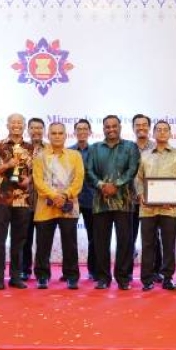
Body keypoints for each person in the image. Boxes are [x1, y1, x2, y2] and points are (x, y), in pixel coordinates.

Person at [86, 115, 141, 290]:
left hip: (124, 201)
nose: (111, 129)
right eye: (107, 127)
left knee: (125, 241)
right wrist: (102, 185)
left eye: (114, 126)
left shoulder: (130, 147)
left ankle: (123, 277)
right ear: (103, 129)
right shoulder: (94, 148)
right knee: (100, 241)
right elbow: (89, 172)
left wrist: (116, 185)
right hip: (100, 202)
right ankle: (102, 277)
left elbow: (132, 169)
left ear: (120, 127)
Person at [135, 120, 176, 291]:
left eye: (166, 130)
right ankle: (147, 279)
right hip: (147, 207)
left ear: (170, 133)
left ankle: (167, 278)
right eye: (159, 130)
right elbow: (138, 178)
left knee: (169, 244)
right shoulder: (145, 155)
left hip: (169, 207)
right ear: (154, 133)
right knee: (148, 244)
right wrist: (140, 194)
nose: (162, 133)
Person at [33, 122, 85, 290]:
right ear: (48, 136)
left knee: (70, 244)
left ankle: (71, 277)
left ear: (65, 135)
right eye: (53, 133)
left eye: (60, 133)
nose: (56, 136)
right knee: (42, 244)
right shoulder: (39, 156)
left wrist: (64, 195)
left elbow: (79, 180)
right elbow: (38, 181)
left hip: (69, 205)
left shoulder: (75, 155)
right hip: (45, 206)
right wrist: (54, 195)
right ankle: (42, 276)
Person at [0, 113, 35, 290]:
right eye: (13, 122)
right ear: (7, 125)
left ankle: (16, 276)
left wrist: (29, 179)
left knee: (19, 240)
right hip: (1, 199)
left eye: (20, 123)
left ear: (24, 126)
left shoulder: (31, 148)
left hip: (22, 199)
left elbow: (35, 171)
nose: (16, 125)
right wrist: (7, 165)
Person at [131, 113, 163, 284]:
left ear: (149, 128)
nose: (141, 127)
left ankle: (156, 271)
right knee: (129, 236)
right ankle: (127, 271)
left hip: (152, 200)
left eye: (144, 125)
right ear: (133, 128)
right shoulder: (128, 147)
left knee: (153, 237)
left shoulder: (157, 147)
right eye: (138, 125)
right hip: (130, 199)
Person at [70, 119, 101, 282]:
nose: (82, 131)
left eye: (85, 129)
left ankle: (93, 270)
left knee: (94, 237)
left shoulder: (96, 150)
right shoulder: (68, 152)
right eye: (78, 129)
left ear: (90, 132)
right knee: (69, 237)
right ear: (74, 133)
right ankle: (69, 272)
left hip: (92, 199)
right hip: (71, 199)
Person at [19, 117, 46, 282]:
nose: (36, 131)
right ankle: (24, 269)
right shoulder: (21, 149)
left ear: (44, 130)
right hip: (24, 200)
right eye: (33, 128)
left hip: (44, 201)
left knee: (43, 239)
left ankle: (42, 272)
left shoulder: (50, 149)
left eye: (39, 128)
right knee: (24, 238)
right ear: (27, 130)